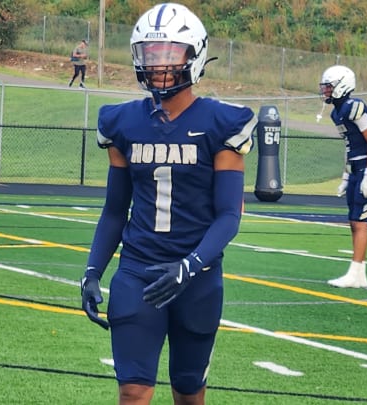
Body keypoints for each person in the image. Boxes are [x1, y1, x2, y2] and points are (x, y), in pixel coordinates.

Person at [79, 3, 256, 404]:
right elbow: (113, 210)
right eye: (151, 54)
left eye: (169, 54)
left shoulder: (221, 123)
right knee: (133, 392)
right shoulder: (122, 122)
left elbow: (229, 215)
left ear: (194, 56)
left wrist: (190, 265)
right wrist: (92, 270)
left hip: (197, 275)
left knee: (189, 392)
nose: (159, 65)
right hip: (138, 272)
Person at [319, 65, 367, 288]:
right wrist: (346, 176)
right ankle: (359, 274)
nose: (325, 90)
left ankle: (356, 272)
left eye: (329, 86)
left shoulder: (354, 107)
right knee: (354, 221)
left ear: (342, 85)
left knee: (360, 222)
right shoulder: (338, 112)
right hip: (355, 168)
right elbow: (350, 145)